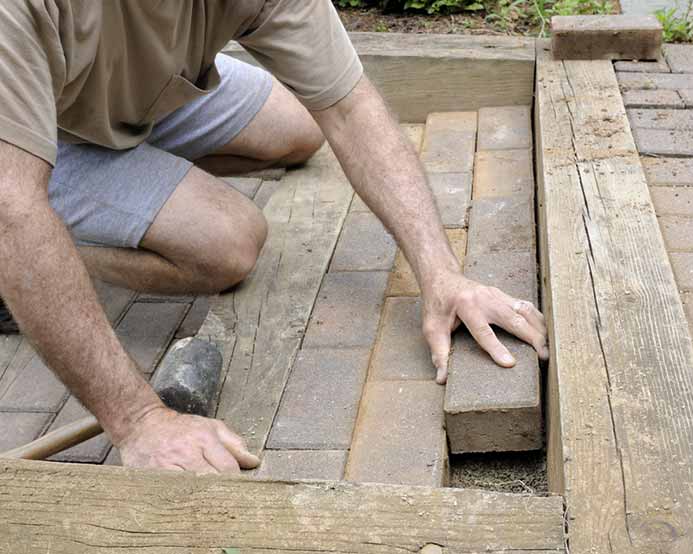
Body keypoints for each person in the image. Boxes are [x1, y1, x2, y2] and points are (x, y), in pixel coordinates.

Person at [0, 0, 548, 474]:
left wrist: (442, 274)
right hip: (30, 129)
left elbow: (349, 107)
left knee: (299, 128)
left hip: (121, 95)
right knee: (226, 243)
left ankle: (118, 199)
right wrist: (140, 421)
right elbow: (14, 205)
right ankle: (18, 277)